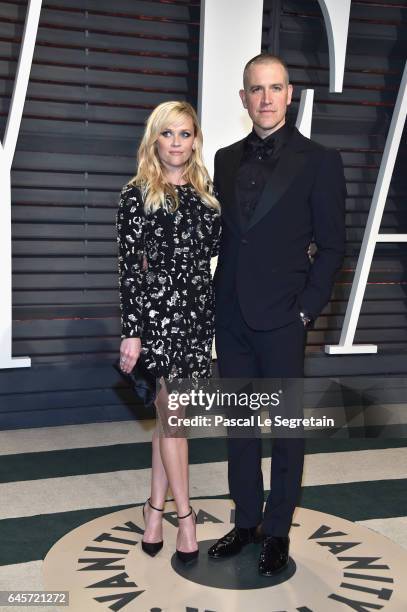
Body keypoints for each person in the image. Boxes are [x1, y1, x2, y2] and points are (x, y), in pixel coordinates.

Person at [208, 53, 346, 575]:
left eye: (275, 88)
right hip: (232, 316)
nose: (265, 98)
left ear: (290, 95)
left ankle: (278, 529)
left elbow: (333, 245)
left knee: (286, 429)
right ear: (243, 98)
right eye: (256, 89)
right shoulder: (223, 159)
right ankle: (246, 521)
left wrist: (307, 311)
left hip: (285, 318)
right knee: (240, 427)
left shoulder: (320, 160)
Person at [116, 100, 220, 563]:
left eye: (185, 133)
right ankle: (187, 518)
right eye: (168, 133)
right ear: (153, 139)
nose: (176, 142)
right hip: (156, 321)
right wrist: (131, 331)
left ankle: (153, 509)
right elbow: (129, 272)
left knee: (169, 421)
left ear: (195, 139)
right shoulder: (135, 193)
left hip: (197, 320)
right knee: (175, 419)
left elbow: (218, 257)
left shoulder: (207, 194)